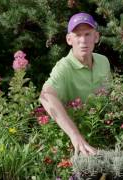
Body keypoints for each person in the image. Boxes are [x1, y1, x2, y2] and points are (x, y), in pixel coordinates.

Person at [39, 12, 111, 156]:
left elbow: (110, 97)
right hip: (76, 144)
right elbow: (45, 96)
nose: (83, 40)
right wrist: (75, 135)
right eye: (77, 35)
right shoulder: (64, 67)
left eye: (87, 34)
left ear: (96, 37)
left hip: (104, 134)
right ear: (69, 39)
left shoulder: (103, 61)